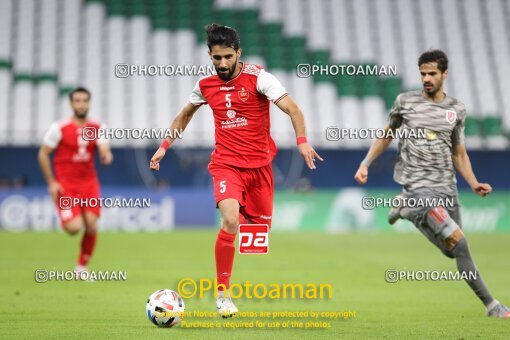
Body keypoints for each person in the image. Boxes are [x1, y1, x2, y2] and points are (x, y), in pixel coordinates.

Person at [150, 24, 322, 317]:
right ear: (210, 55)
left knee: (258, 235)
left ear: (238, 53)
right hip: (227, 165)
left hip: (260, 169)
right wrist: (165, 145)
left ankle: (242, 215)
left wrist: (302, 142)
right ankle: (222, 295)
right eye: (216, 58)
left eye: (228, 57)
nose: (222, 64)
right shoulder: (205, 85)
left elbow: (294, 109)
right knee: (229, 221)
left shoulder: (260, 78)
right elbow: (185, 115)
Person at [354, 50, 509, 318]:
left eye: (432, 73)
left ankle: (405, 210)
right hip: (418, 188)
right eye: (423, 73)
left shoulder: (456, 109)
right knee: (460, 244)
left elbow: (459, 153)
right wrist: (365, 163)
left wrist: (473, 183)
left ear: (444, 74)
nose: (426, 78)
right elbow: (385, 135)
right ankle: (492, 306)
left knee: (453, 252)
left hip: (447, 189)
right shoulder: (405, 102)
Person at [38, 87, 113, 275]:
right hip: (66, 185)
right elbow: (43, 154)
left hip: (89, 183)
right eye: (77, 100)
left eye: (85, 100)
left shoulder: (97, 127)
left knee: (91, 224)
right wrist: (51, 182)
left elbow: (104, 148)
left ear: (89, 103)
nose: (81, 104)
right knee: (74, 227)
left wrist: (106, 155)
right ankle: (65, 210)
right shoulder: (59, 128)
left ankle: (81, 268)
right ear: (71, 103)